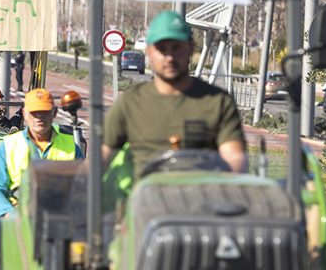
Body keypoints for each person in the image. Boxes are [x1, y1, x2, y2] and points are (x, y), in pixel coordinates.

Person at [101, 10, 247, 177]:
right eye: (162, 49)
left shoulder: (217, 102)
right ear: (149, 51)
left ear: (191, 49)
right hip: (145, 200)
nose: (169, 57)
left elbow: (234, 160)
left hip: (201, 199)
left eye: (176, 48)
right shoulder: (129, 103)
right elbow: (98, 162)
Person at [0, 88, 83, 217]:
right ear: (25, 114)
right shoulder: (9, 145)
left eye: (44, 112)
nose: (39, 117)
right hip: (19, 216)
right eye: (34, 112)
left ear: (54, 113)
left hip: (59, 218)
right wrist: (9, 213)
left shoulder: (71, 147)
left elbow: (83, 189)